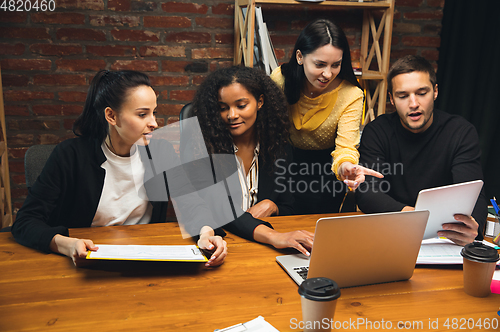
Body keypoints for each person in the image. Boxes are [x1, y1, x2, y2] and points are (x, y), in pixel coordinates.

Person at [12, 70, 227, 266]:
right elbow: (25, 221)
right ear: (111, 116)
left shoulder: (160, 151)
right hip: (87, 261)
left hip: (144, 257)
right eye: (143, 114)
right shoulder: (70, 155)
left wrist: (206, 232)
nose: (154, 123)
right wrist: (66, 244)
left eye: (154, 112)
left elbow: (190, 202)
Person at [355, 55, 487, 245]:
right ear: (391, 99)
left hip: (444, 239)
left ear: (435, 92)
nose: (413, 103)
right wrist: (417, 217)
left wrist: (472, 226)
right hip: (390, 235)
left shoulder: (461, 132)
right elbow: (367, 193)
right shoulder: (377, 131)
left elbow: (474, 193)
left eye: (421, 93)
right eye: (403, 96)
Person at [183, 66, 314, 256]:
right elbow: (219, 210)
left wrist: (273, 206)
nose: (231, 115)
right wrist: (274, 237)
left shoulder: (278, 148)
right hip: (222, 244)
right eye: (223, 108)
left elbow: (290, 205)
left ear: (260, 102)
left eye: (241, 105)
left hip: (262, 249)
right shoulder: (200, 148)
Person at [271, 18, 382, 214]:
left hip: (325, 173)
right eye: (320, 64)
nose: (328, 74)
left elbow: (346, 147)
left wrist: (346, 166)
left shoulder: (351, 95)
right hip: (280, 164)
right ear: (300, 57)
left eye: (336, 65)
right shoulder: (280, 79)